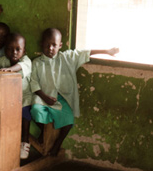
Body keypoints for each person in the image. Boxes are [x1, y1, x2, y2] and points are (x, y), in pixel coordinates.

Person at [30, 28, 118, 157]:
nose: (50, 48)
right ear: (41, 44)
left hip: (60, 99)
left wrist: (106, 51)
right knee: (36, 111)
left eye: (54, 45)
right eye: (47, 44)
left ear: (60, 45)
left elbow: (84, 53)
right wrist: (45, 97)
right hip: (43, 97)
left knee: (68, 121)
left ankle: (57, 145)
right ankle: (44, 132)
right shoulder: (37, 63)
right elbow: (34, 83)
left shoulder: (67, 58)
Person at [0, 32, 34, 159]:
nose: (14, 52)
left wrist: (10, 69)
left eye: (18, 49)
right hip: (7, 99)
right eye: (10, 49)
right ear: (5, 50)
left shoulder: (26, 61)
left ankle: (25, 142)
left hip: (23, 98)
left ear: (24, 51)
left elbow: (19, 66)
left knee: (25, 116)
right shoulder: (4, 59)